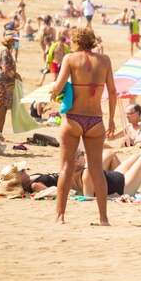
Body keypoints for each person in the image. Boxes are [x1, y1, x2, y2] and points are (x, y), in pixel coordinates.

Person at [51, 28, 117, 225]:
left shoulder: (70, 59)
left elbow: (59, 86)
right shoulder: (105, 61)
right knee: (97, 170)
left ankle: (60, 216)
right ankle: (103, 218)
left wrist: (53, 92)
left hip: (73, 119)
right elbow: (113, 92)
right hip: (96, 120)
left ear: (76, 41)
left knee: (66, 167)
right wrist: (112, 119)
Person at [20, 150, 141, 197]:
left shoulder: (70, 172)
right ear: (76, 161)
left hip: (115, 178)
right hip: (123, 186)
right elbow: (88, 198)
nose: (84, 155)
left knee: (139, 158)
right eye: (82, 154)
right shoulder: (85, 172)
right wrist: (112, 198)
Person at [0, 35, 20, 134]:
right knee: (0, 109)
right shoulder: (4, 51)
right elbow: (5, 68)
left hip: (5, 83)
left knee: (3, 109)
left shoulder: (5, 50)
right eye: (14, 41)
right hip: (3, 83)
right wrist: (15, 75)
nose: (16, 43)